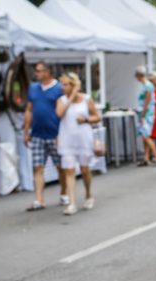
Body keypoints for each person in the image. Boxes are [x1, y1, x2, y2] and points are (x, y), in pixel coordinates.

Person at [55, 73, 101, 215]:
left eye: (65, 84)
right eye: (61, 84)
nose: (62, 87)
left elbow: (97, 116)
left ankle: (88, 193)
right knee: (69, 170)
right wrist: (70, 98)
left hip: (83, 139)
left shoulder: (86, 99)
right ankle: (72, 203)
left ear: (74, 85)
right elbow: (59, 114)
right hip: (67, 139)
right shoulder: (61, 100)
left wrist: (86, 120)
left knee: (85, 169)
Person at [24, 61, 66, 211]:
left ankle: (64, 193)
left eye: (39, 71)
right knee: (38, 167)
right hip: (37, 134)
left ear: (48, 72)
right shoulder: (33, 89)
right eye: (36, 71)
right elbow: (29, 110)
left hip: (55, 134)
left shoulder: (59, 88)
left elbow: (62, 112)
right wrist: (26, 130)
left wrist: (62, 133)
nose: (37, 73)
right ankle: (39, 199)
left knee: (61, 167)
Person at [134, 67, 156, 167]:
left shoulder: (148, 86)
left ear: (139, 76)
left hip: (147, 114)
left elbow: (147, 101)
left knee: (146, 136)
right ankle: (146, 157)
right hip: (146, 113)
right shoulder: (146, 85)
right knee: (145, 136)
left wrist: (143, 113)